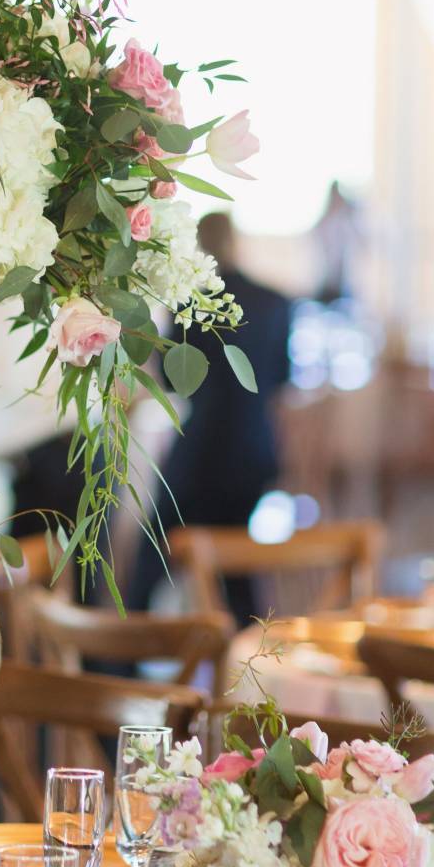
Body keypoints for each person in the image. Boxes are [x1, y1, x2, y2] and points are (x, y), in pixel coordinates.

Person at [130, 211, 291, 624]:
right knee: (236, 563)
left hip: (201, 454)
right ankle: (248, 653)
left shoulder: (191, 305)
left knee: (153, 559)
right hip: (256, 451)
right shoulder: (276, 303)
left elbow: (173, 381)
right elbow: (282, 379)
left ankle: (122, 653)